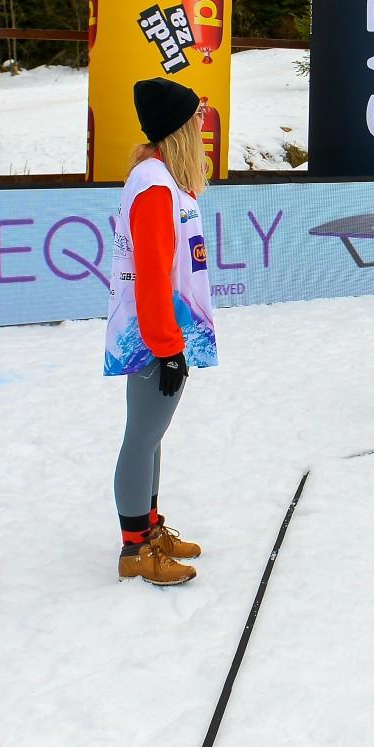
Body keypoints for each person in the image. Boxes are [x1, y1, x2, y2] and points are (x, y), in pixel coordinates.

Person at [104, 78, 218, 586]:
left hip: (166, 332)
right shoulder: (152, 185)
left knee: (152, 437)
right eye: (195, 118)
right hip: (156, 335)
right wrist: (168, 348)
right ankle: (135, 550)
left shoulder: (164, 179)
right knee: (142, 437)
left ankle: (148, 528)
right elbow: (151, 274)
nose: (202, 125)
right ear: (177, 127)